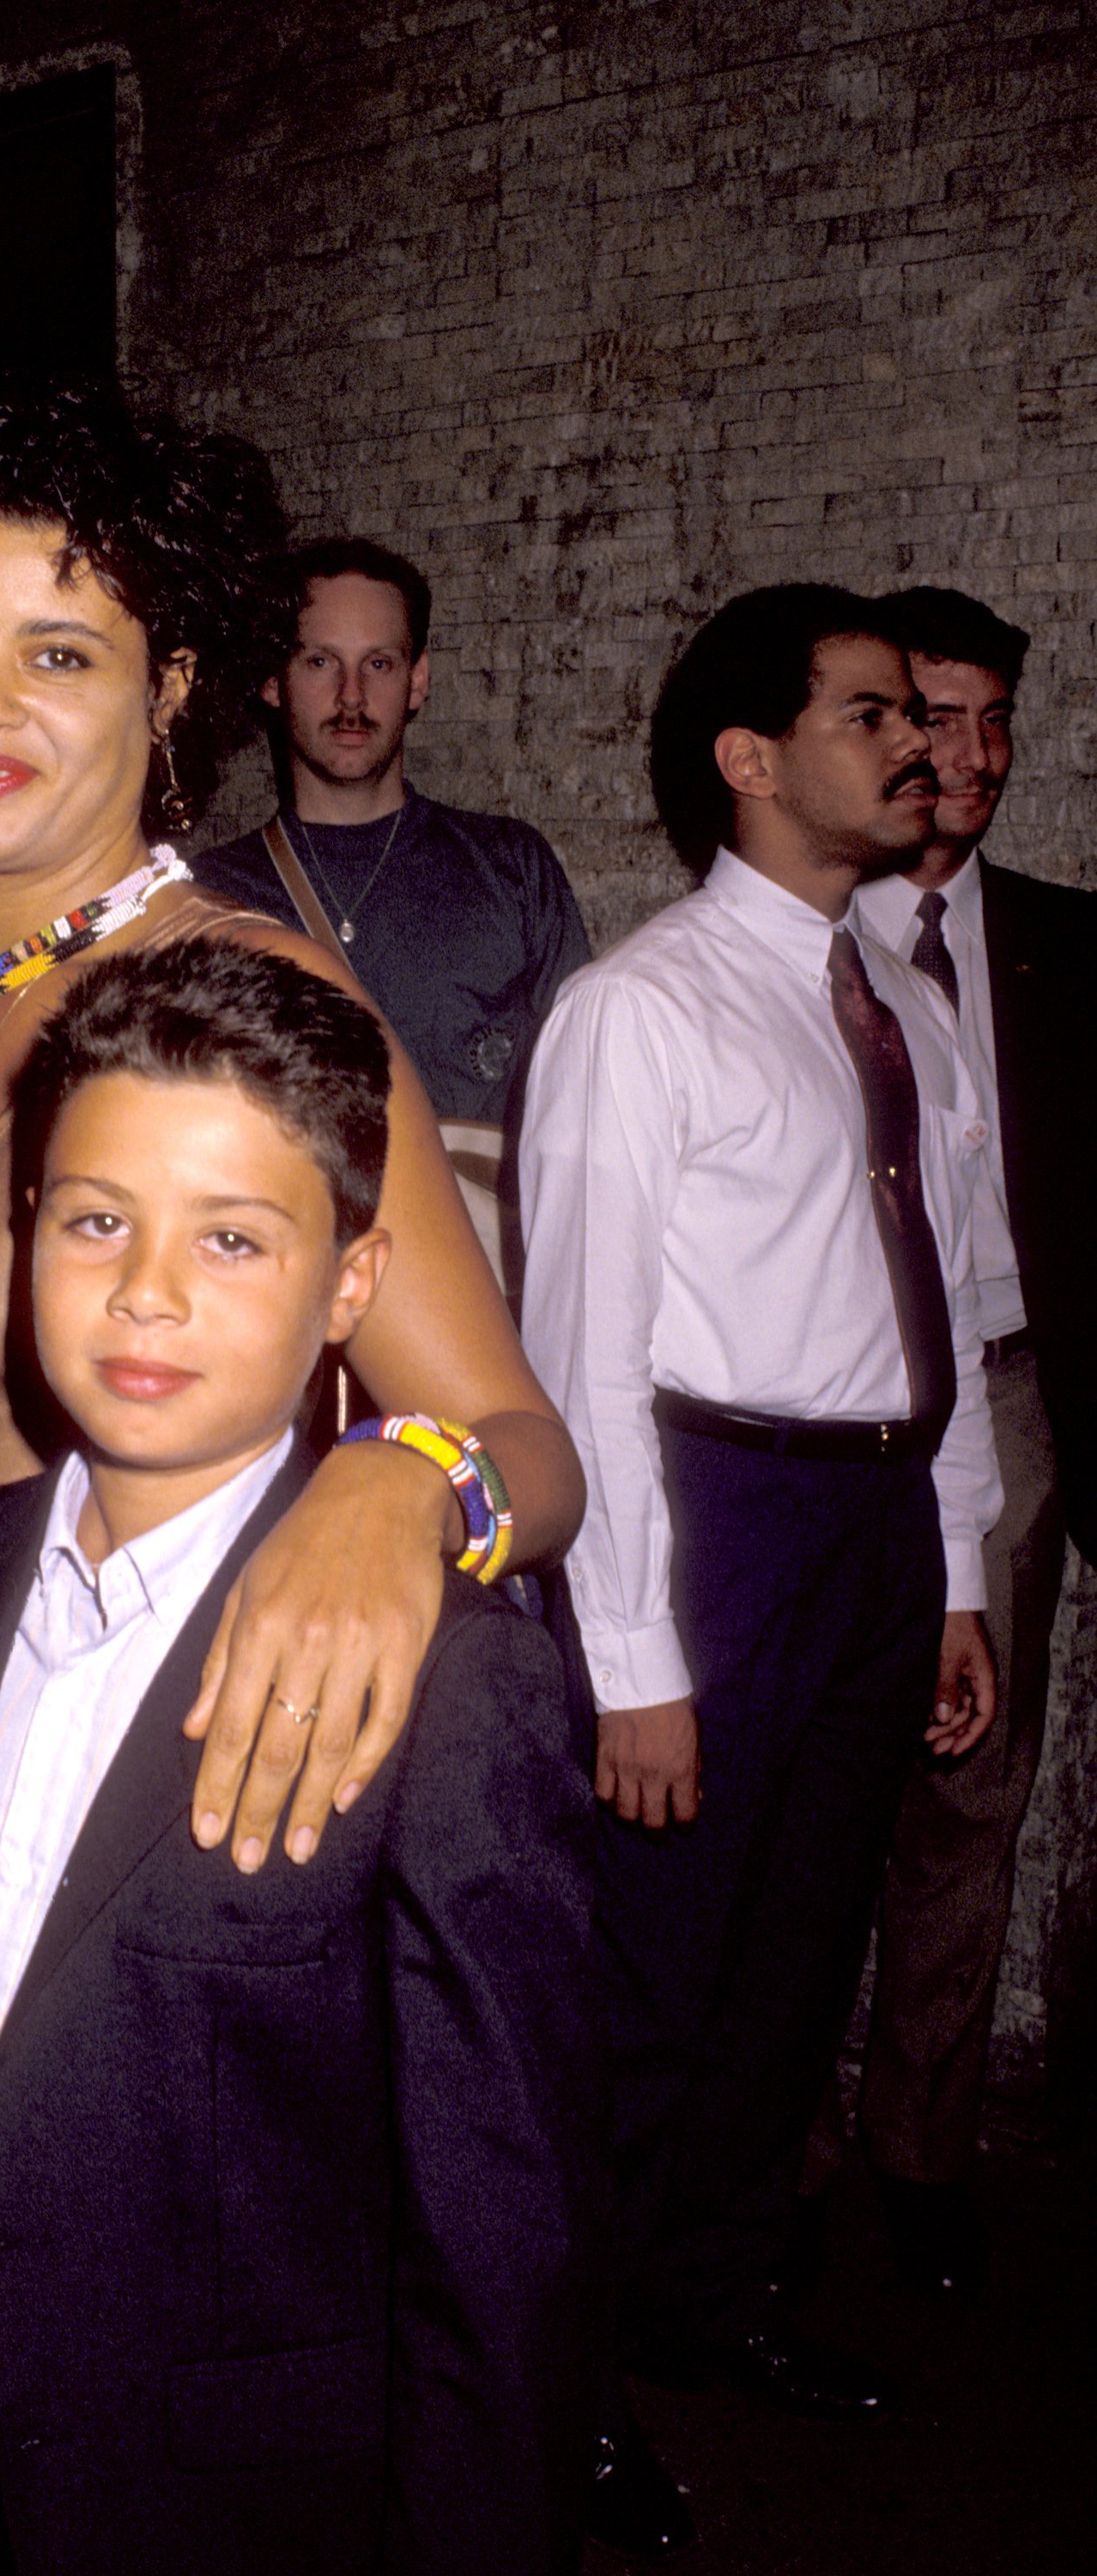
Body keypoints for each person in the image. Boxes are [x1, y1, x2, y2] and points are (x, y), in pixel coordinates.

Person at [0, 375, 585, 2158]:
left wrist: (394, 1488)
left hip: (151, 1812)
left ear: (170, 687)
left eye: (59, 653)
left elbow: (526, 1451)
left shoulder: (249, 1000)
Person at [0, 939, 601, 2576]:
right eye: (97, 1219)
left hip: (231, 2509)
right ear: (25, 1224)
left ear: (349, 1286)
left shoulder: (446, 1685)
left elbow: (498, 2243)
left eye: (236, 1240)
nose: (146, 1294)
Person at [518, 585, 1003, 2558]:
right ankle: (564, 2391)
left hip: (871, 1524)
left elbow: (944, 1319)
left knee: (787, 1975)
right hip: (707, 1523)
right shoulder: (635, 1008)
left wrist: (951, 1569)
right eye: (866, 710)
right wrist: (627, 1655)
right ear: (744, 755)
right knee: (643, 1995)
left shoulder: (883, 999)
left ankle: (706, 2307)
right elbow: (576, 1353)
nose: (912, 743)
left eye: (919, 710)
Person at [821, 586, 1095, 2294]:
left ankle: (912, 2173)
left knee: (965, 1798)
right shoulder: (797, 939)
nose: (975, 753)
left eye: (998, 717)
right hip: (825, 1416)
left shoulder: (1071, 948)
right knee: (805, 1796)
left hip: (1006, 1404)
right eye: (937, 714)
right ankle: (757, 2175)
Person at [194, 536, 591, 1292]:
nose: (350, 696)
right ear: (273, 681)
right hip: (278, 1306)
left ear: (417, 680)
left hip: (482, 1305)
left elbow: (584, 1120)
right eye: (319, 661)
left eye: (378, 663)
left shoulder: (511, 868)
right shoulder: (209, 896)